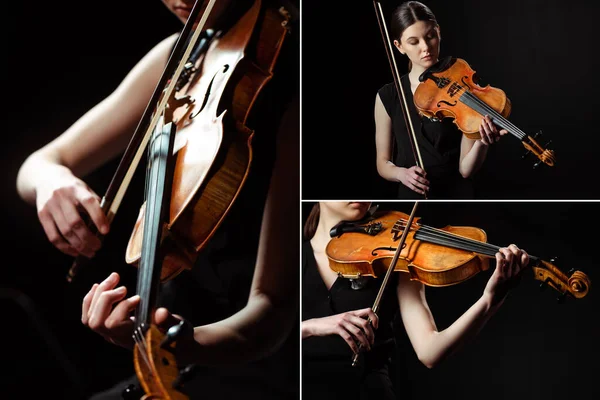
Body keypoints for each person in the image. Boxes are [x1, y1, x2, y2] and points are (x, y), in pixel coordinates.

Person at [15, 0, 299, 399]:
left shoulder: (293, 82)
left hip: (260, 369)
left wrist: (179, 342)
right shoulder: (181, 56)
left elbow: (270, 313)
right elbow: (39, 163)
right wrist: (51, 180)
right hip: (177, 361)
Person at [302, 201, 529, 399]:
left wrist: (489, 300)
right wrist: (311, 327)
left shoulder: (396, 254)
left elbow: (430, 351)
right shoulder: (288, 257)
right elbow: (267, 336)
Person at [375, 1, 508, 199]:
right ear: (399, 46)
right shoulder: (387, 96)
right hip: (412, 203)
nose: (425, 47)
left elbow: (465, 169)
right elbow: (383, 163)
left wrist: (482, 141)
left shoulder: (461, 83)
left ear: (438, 32)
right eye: (414, 42)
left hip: (457, 197)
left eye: (430, 37)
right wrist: (401, 174)